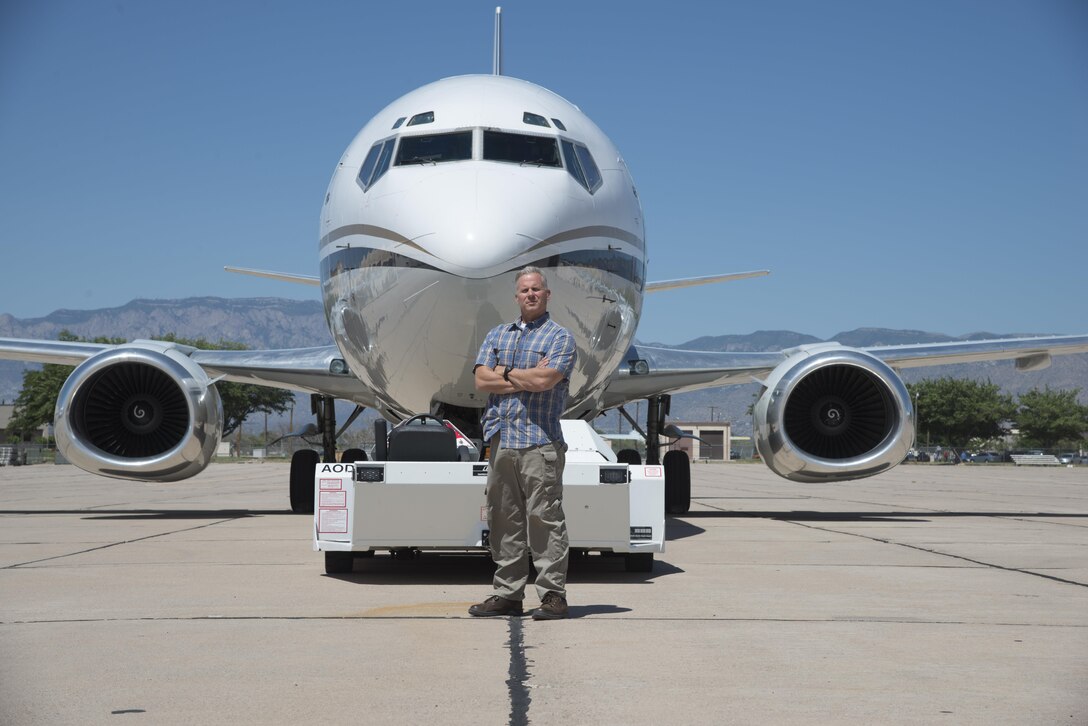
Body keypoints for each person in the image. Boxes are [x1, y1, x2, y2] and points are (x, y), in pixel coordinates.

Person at [469, 266, 577, 620]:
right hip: (501, 440)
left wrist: (503, 370)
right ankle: (508, 594)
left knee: (544, 518)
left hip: (539, 442)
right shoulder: (498, 334)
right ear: (516, 297)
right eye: (524, 290)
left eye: (536, 289)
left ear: (547, 294)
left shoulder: (560, 338)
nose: (530, 294)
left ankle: (553, 596)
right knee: (503, 518)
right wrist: (522, 376)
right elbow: (481, 380)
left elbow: (546, 380)